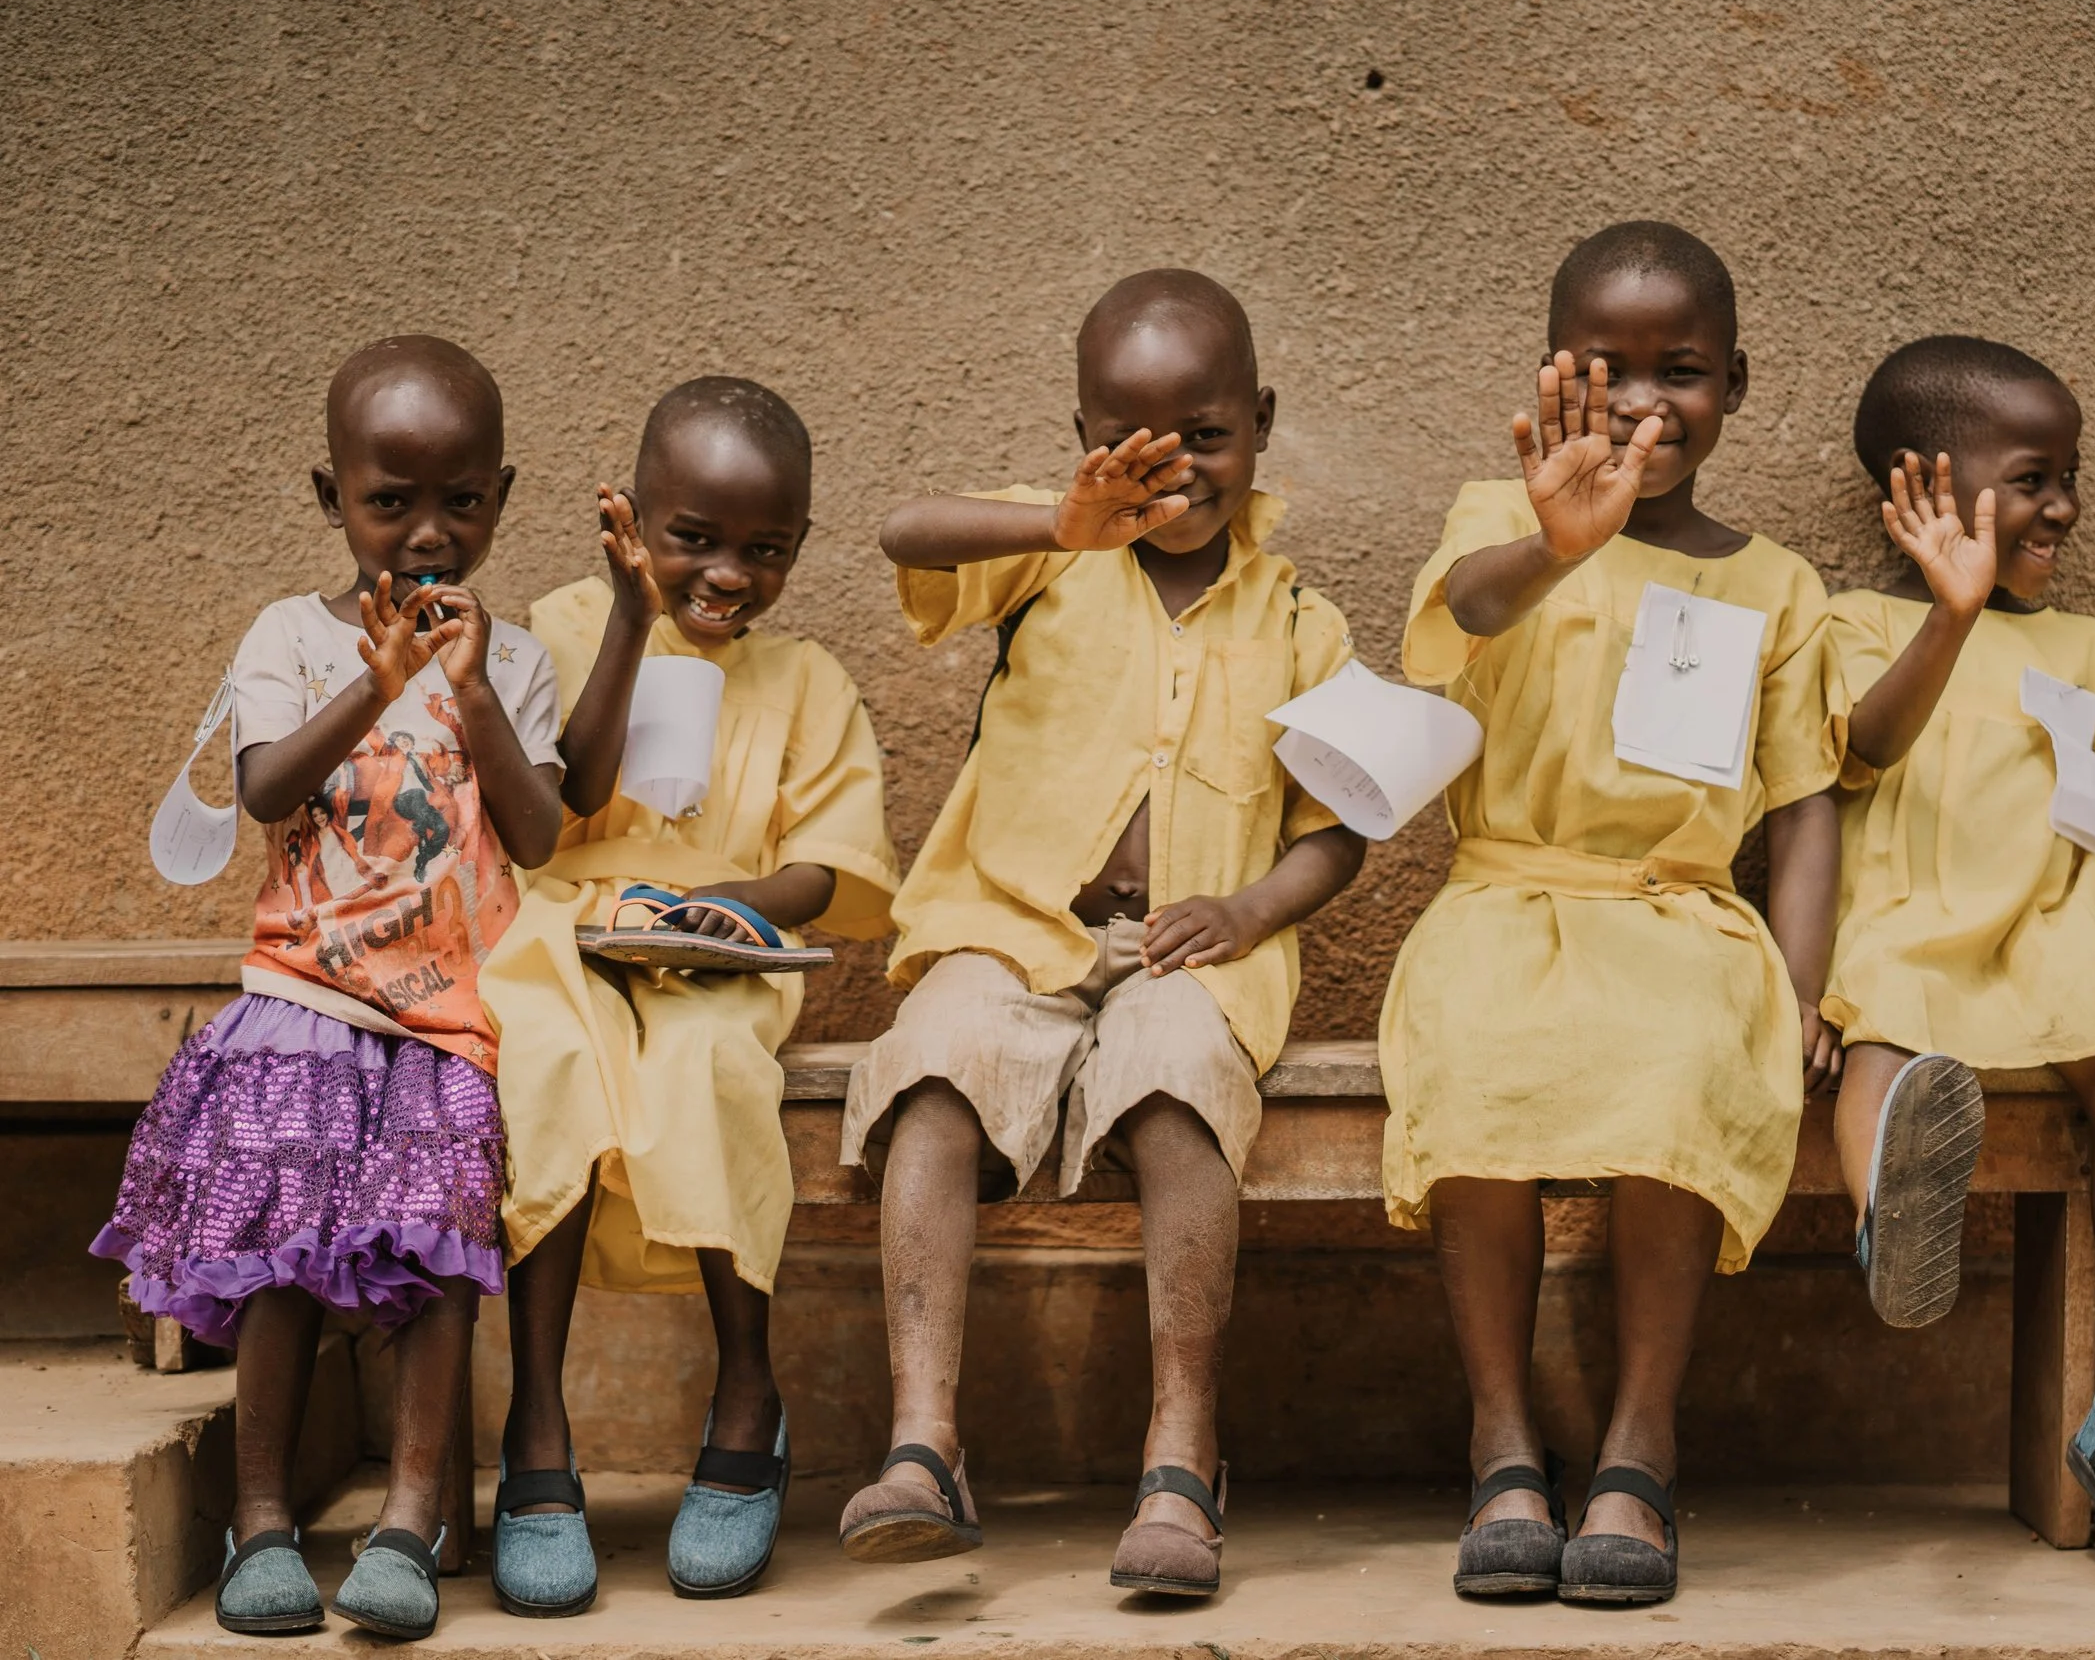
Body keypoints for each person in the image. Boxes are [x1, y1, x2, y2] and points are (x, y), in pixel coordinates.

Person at [841, 269, 1366, 1599]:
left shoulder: (1304, 622)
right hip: (1006, 927)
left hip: (1195, 950)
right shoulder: (1042, 548)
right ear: (1083, 435)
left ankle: (1180, 1451)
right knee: (937, 1066)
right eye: (1134, 439)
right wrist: (1064, 521)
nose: (1176, 465)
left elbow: (1339, 827)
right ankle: (923, 1441)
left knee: (1182, 1082)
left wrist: (1248, 909)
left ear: (1263, 418)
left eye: (1208, 431)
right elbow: (904, 530)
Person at [1378, 222, 1847, 1606]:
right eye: (1611, 370)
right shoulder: (1497, 516)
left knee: (1686, 1058)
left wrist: (1803, 986)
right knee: (1471, 1056)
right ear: (1553, 375)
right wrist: (1551, 538)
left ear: (1738, 384)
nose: (1648, 405)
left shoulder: (1776, 586)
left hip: (1685, 914)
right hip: (1507, 895)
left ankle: (1641, 1442)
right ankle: (1503, 1437)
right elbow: (1461, 611)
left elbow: (1807, 802)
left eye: (1684, 371)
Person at [93, 336, 564, 1640]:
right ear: (330, 495)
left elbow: (535, 837)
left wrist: (467, 698)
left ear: (502, 498)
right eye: (388, 499)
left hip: (443, 1018)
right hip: (301, 997)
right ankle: (260, 1522)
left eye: (459, 502)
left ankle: (409, 1523)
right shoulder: (291, 636)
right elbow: (265, 790)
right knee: (285, 1253)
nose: (425, 531)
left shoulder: (512, 662)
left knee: (426, 1254)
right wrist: (382, 677)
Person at [477, 378, 900, 1607]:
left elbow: (836, 858)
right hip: (564, 923)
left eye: (763, 550)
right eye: (691, 539)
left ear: (799, 547)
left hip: (722, 940)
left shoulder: (810, 681)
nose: (726, 573)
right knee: (546, 1056)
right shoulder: (551, 629)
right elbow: (541, 819)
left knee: (712, 1068)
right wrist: (626, 615)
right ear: (631, 514)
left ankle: (750, 1391)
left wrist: (734, 903)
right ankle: (538, 1428)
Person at [1820, 334, 2095, 1560]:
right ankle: (1886, 1223)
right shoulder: (1843, 622)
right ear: (1922, 485)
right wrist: (1948, 616)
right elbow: (1865, 748)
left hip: (2051, 927)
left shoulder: (2087, 650)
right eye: (2033, 476)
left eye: (2070, 477)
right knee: (1881, 1035)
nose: (2062, 504)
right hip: (1903, 915)